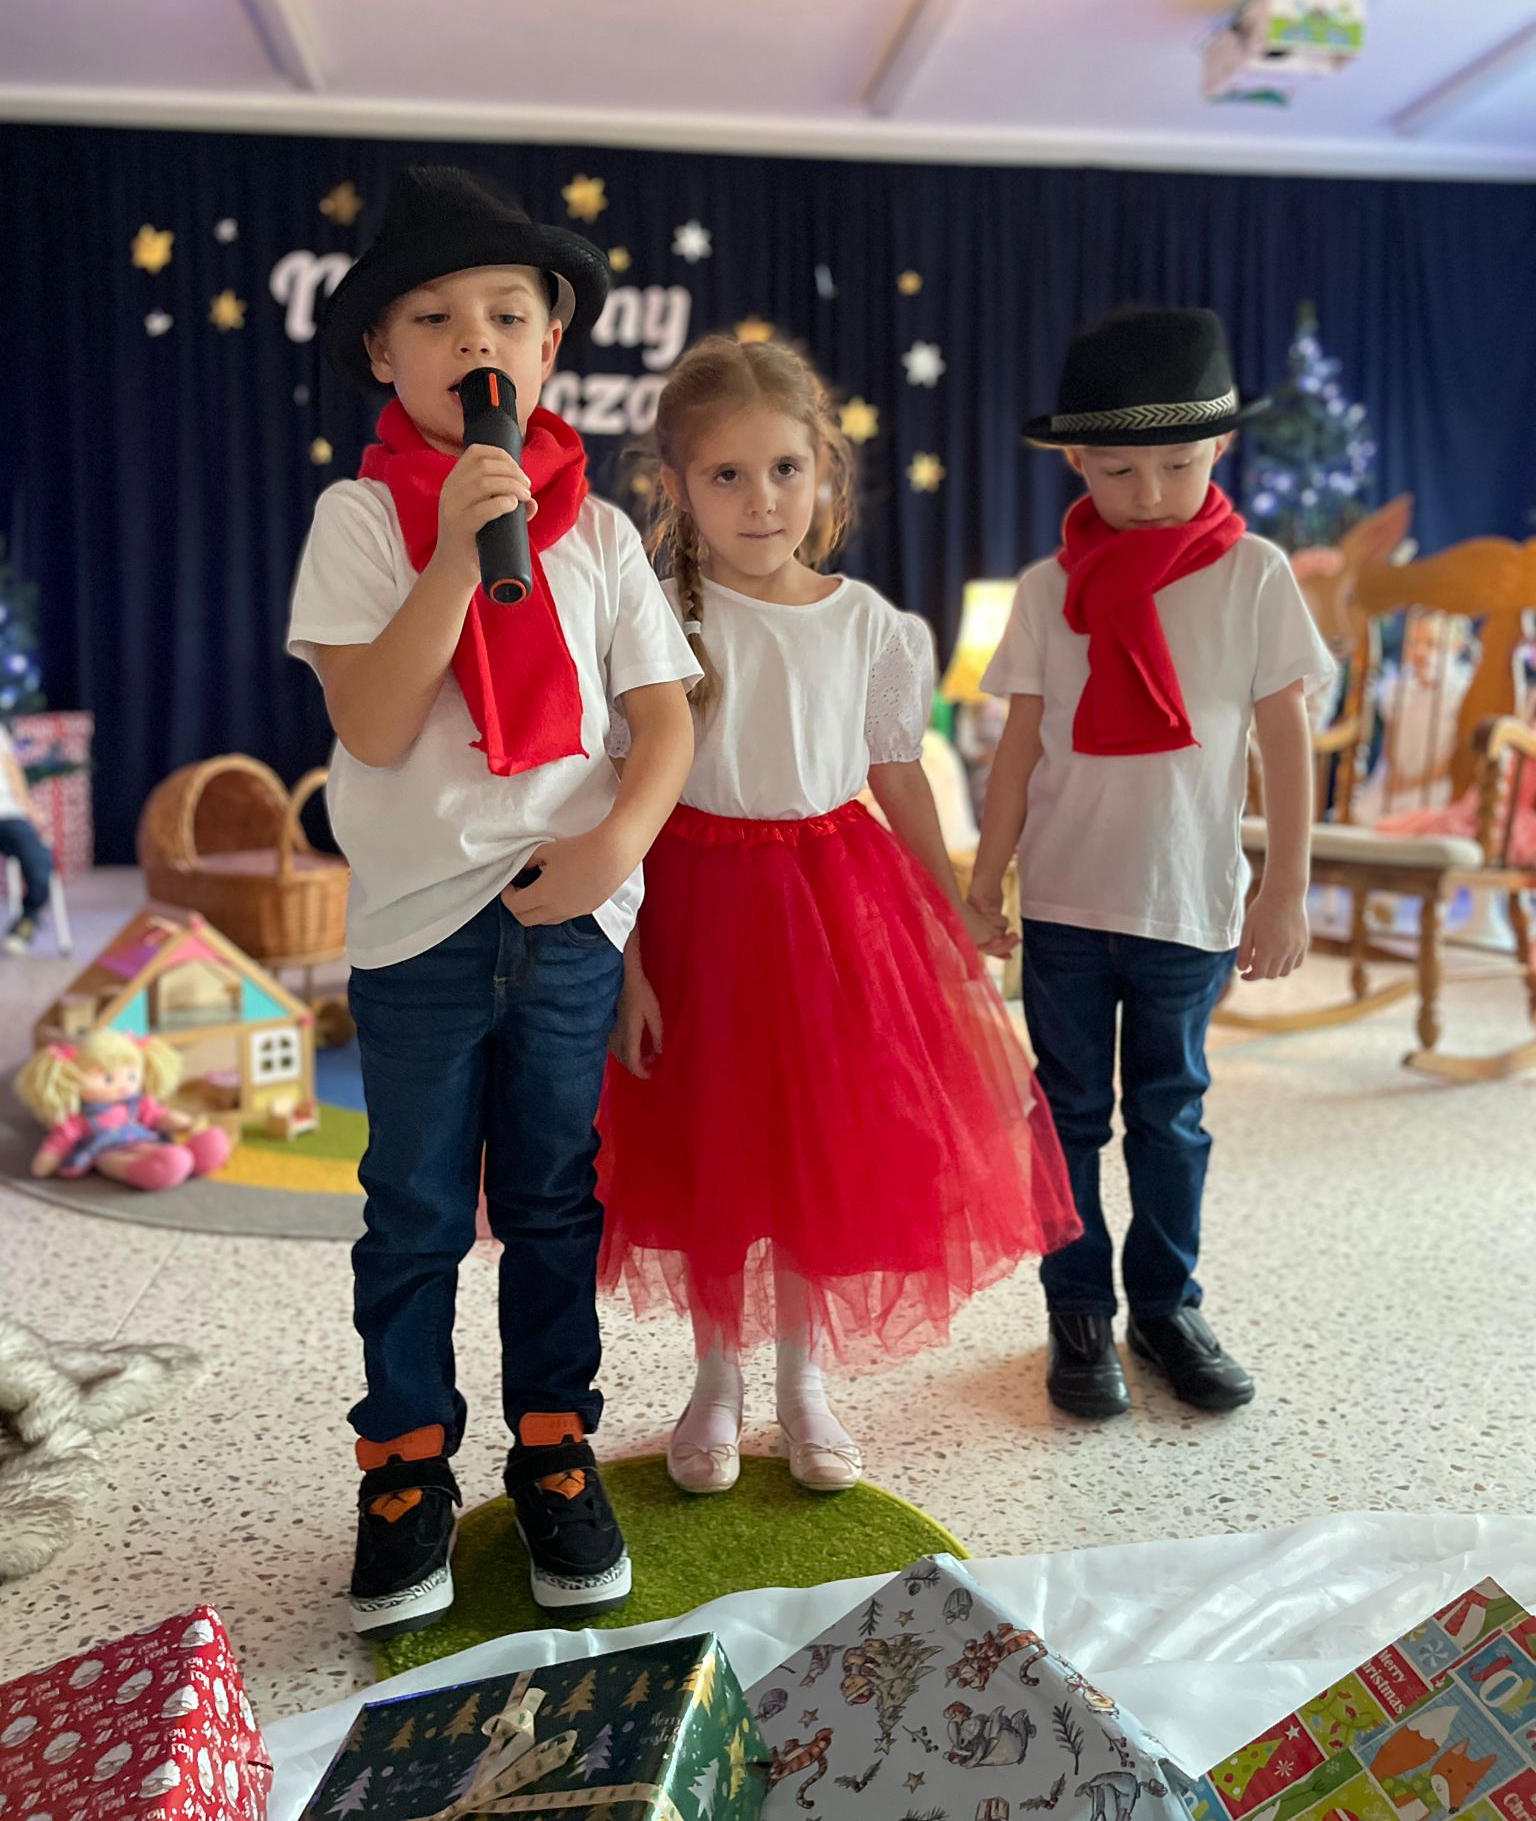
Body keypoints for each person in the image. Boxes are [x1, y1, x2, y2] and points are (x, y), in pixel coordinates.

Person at [287, 167, 698, 1637]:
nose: (477, 338)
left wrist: (615, 849)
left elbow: (664, 719)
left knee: (551, 1198)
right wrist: (459, 551)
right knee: (411, 1207)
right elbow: (375, 721)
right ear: (382, 354)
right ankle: (404, 1466)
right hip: (419, 930)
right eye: (435, 316)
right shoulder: (360, 518)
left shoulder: (602, 533)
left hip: (568, 920)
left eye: (509, 315)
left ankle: (553, 1446)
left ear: (550, 344)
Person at [597, 335, 1078, 1496]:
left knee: (818, 1154)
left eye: (785, 469)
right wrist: (628, 966)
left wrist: (954, 906)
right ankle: (716, 1380)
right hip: (691, 911)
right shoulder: (652, 617)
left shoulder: (870, 623)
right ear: (676, 486)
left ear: (825, 471)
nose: (761, 500)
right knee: (714, 1152)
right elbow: (621, 792)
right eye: (726, 474)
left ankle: (803, 1382)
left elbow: (897, 776)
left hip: (830, 910)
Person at [970, 307, 1333, 1420]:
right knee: (1068, 1114)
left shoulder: (1255, 576)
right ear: (1076, 460)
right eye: (1120, 469)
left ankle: (1167, 1307)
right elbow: (1019, 747)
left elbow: (1284, 741)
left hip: (1187, 901)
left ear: (1219, 445)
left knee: (1170, 1115)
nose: (1151, 492)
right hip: (1068, 903)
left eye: (1178, 464)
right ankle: (1077, 1309)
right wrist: (985, 880)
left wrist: (1285, 888)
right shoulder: (1048, 588)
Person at [0, 721, 53, 955]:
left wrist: (31, 810)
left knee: (39, 860)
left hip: (7, 814)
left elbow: (11, 769)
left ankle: (27, 920)